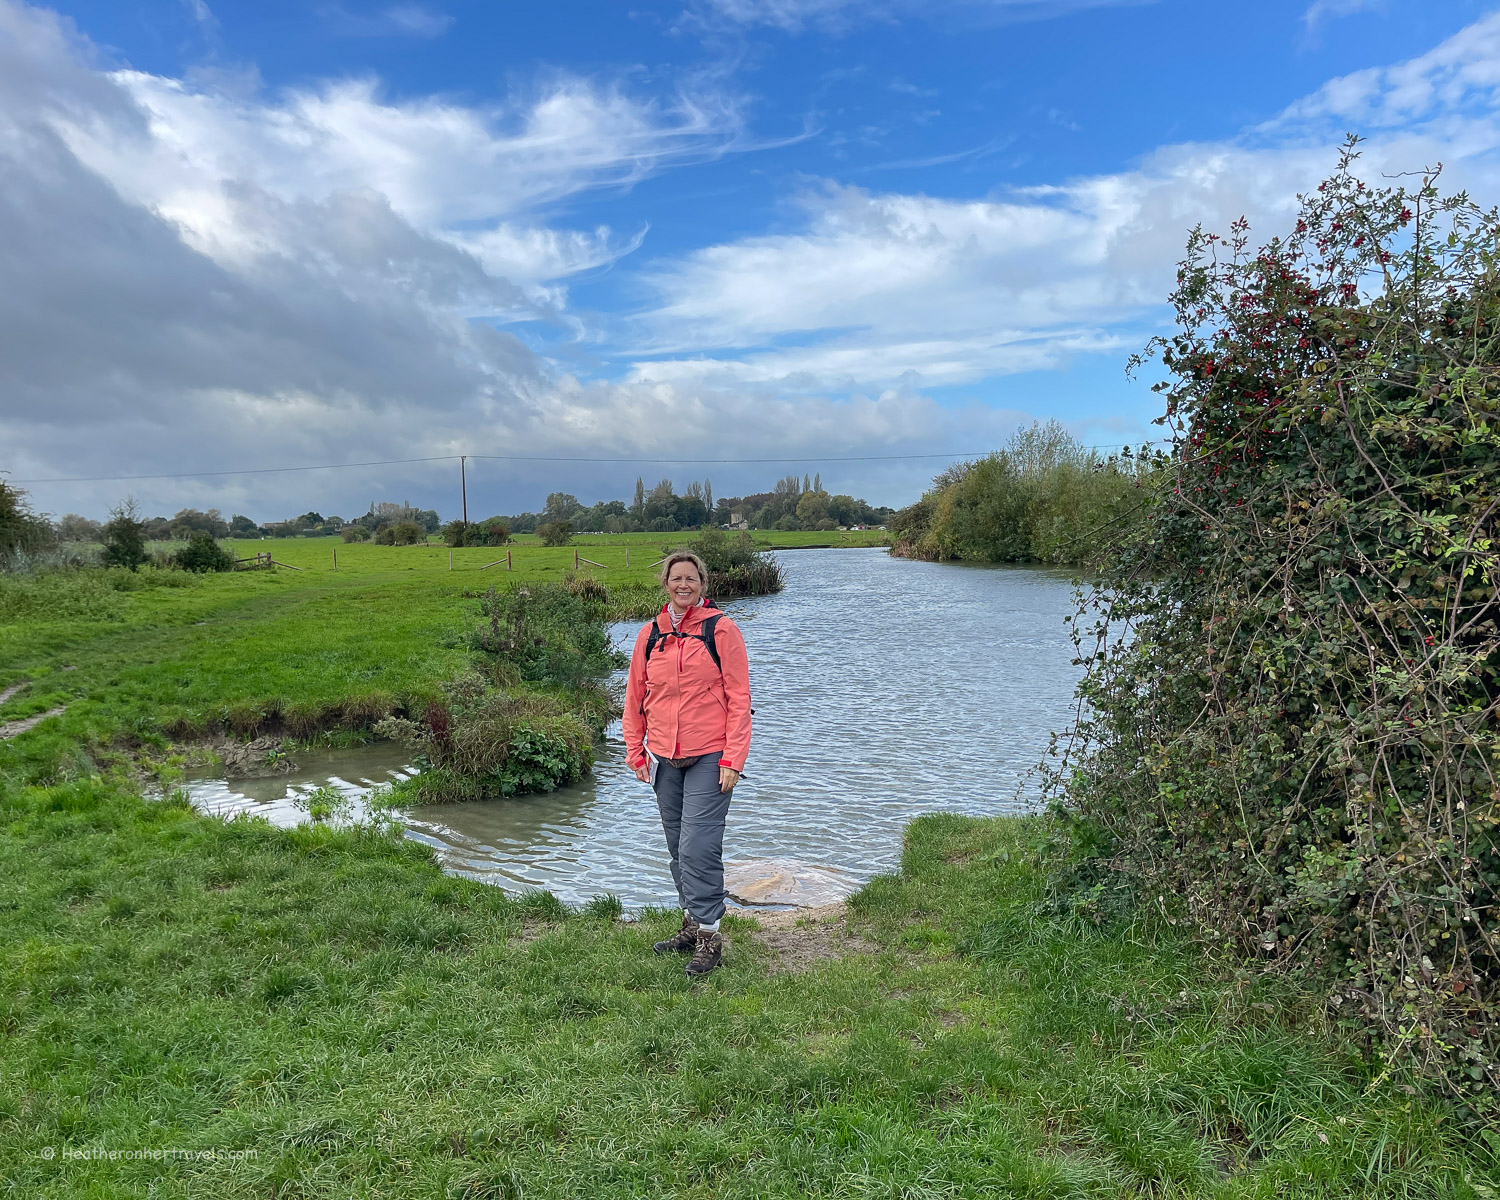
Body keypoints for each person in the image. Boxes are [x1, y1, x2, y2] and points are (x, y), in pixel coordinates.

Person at [622, 549, 752, 977]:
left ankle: (710, 937)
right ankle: (692, 924)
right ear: (665, 584)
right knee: (678, 847)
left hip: (710, 755)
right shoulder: (650, 635)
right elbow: (635, 697)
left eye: (691, 579)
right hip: (663, 756)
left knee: (699, 847)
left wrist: (733, 758)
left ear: (702, 584)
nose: (683, 585)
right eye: (676, 578)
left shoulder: (722, 630)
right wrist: (635, 749)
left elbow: (739, 698)